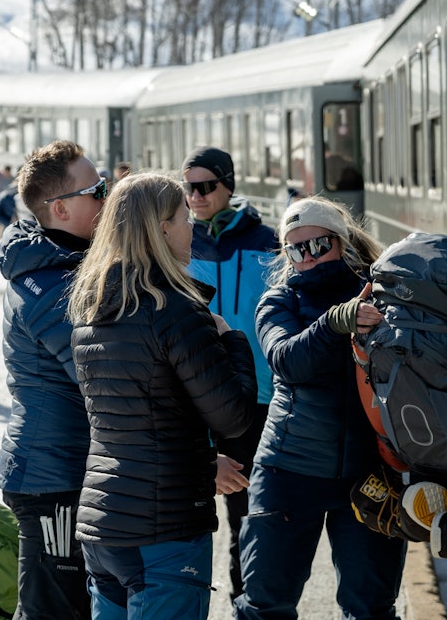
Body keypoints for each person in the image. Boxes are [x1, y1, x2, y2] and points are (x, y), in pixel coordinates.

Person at [67, 173, 258, 619]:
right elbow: (233, 417)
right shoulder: (175, 311)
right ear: (161, 228)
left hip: (103, 524)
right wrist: (232, 342)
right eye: (183, 217)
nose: (192, 227)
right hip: (164, 529)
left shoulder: (91, 309)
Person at [234, 196, 406, 620]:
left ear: (343, 243)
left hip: (370, 471)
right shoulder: (278, 302)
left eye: (318, 245)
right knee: (265, 605)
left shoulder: (381, 294)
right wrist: (335, 322)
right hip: (290, 470)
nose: (308, 258)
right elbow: (288, 359)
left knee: (372, 608)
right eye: (295, 249)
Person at [0, 142, 107, 620]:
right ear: (60, 208)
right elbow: (102, 382)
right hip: (51, 479)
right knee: (53, 613)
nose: (108, 200)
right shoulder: (51, 287)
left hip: (61, 469)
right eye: (98, 191)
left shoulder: (55, 264)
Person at [182, 145, 278, 604]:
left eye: (207, 186)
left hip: (256, 399)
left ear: (229, 185)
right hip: (196, 399)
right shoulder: (178, 243)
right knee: (193, 512)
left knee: (248, 513)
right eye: (189, 187)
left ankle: (247, 604)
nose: (196, 196)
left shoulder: (267, 242)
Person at [0, 166, 19, 253]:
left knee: (5, 230)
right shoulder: (11, 188)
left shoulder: (12, 182)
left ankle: (0, 250)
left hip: (0, 208)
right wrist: (11, 220)